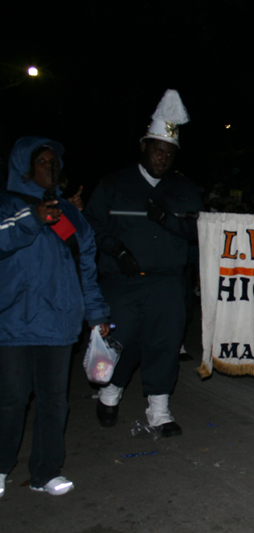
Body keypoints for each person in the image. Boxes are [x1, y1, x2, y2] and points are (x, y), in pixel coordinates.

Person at [84, 90, 203, 437]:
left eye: (169, 153)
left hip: (166, 282)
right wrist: (114, 249)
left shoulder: (183, 189)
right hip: (121, 281)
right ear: (143, 146)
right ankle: (109, 391)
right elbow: (91, 223)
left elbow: (199, 230)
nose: (162, 158)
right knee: (120, 342)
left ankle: (159, 409)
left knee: (164, 342)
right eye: (157, 150)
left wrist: (168, 219)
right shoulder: (114, 184)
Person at [1, 137, 110, 497]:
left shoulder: (71, 213)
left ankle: (46, 472)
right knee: (13, 399)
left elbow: (86, 269)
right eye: (42, 161)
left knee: (53, 400)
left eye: (54, 162)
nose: (50, 167)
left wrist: (96, 315)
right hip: (13, 321)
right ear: (25, 166)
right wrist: (33, 219)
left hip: (59, 323)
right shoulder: (8, 205)